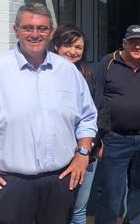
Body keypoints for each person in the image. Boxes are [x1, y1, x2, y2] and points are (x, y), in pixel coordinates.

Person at [0, 3, 97, 224]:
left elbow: (87, 116)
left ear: (50, 32)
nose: (35, 34)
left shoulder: (68, 71)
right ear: (16, 30)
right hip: (11, 184)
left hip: (59, 180)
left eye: (42, 28)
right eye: (28, 27)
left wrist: (82, 152)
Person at [94, 24, 140, 224]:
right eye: (132, 42)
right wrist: (99, 137)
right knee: (110, 191)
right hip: (115, 138)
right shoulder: (107, 63)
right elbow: (96, 100)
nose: (137, 46)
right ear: (124, 43)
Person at [49, 25, 98, 224]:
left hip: (86, 154)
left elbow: (97, 111)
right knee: (54, 211)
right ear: (56, 46)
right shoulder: (44, 74)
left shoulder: (87, 75)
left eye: (79, 47)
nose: (73, 51)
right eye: (68, 45)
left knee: (78, 210)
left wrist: (95, 144)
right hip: (56, 157)